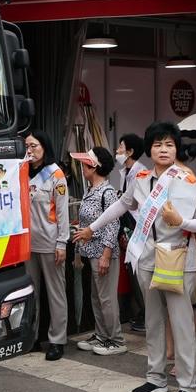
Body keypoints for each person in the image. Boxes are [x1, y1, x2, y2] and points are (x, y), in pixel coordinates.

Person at [77, 121, 196, 392]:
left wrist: (182, 222)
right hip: (147, 256)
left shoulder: (187, 180)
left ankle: (188, 383)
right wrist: (93, 227)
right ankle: (156, 377)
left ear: (176, 148)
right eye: (158, 144)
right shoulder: (142, 179)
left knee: (182, 322)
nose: (164, 149)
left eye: (169, 144)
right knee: (153, 320)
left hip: (176, 257)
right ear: (149, 149)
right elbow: (122, 206)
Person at [74, 146, 125, 356]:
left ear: (94, 167)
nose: (82, 167)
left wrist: (105, 254)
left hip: (103, 253)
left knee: (106, 297)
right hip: (90, 252)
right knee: (97, 297)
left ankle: (116, 339)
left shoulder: (107, 192)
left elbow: (113, 225)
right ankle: (102, 335)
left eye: (85, 163)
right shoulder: (90, 190)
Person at [25, 132, 70, 360]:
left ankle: (57, 340)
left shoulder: (56, 174)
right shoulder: (20, 173)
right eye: (27, 146)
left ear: (45, 147)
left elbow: (62, 212)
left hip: (51, 243)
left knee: (55, 294)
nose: (30, 150)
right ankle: (32, 337)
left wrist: (62, 242)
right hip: (27, 245)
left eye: (34, 145)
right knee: (30, 294)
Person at [112, 133, 147, 333]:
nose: (117, 151)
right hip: (129, 226)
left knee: (139, 272)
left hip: (138, 227)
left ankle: (146, 312)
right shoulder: (125, 171)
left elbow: (132, 205)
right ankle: (142, 311)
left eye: (121, 147)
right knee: (133, 272)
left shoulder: (139, 173)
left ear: (130, 151)